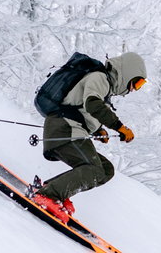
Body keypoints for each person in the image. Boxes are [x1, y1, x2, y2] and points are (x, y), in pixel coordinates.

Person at [30, 51, 147, 223]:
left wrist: (98, 130)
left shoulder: (104, 89)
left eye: (139, 86)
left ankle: (52, 190)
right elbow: (92, 104)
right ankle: (47, 195)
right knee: (94, 169)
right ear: (127, 72)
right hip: (64, 129)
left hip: (70, 131)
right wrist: (119, 127)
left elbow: (83, 108)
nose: (133, 89)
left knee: (106, 170)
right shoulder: (100, 78)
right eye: (136, 82)